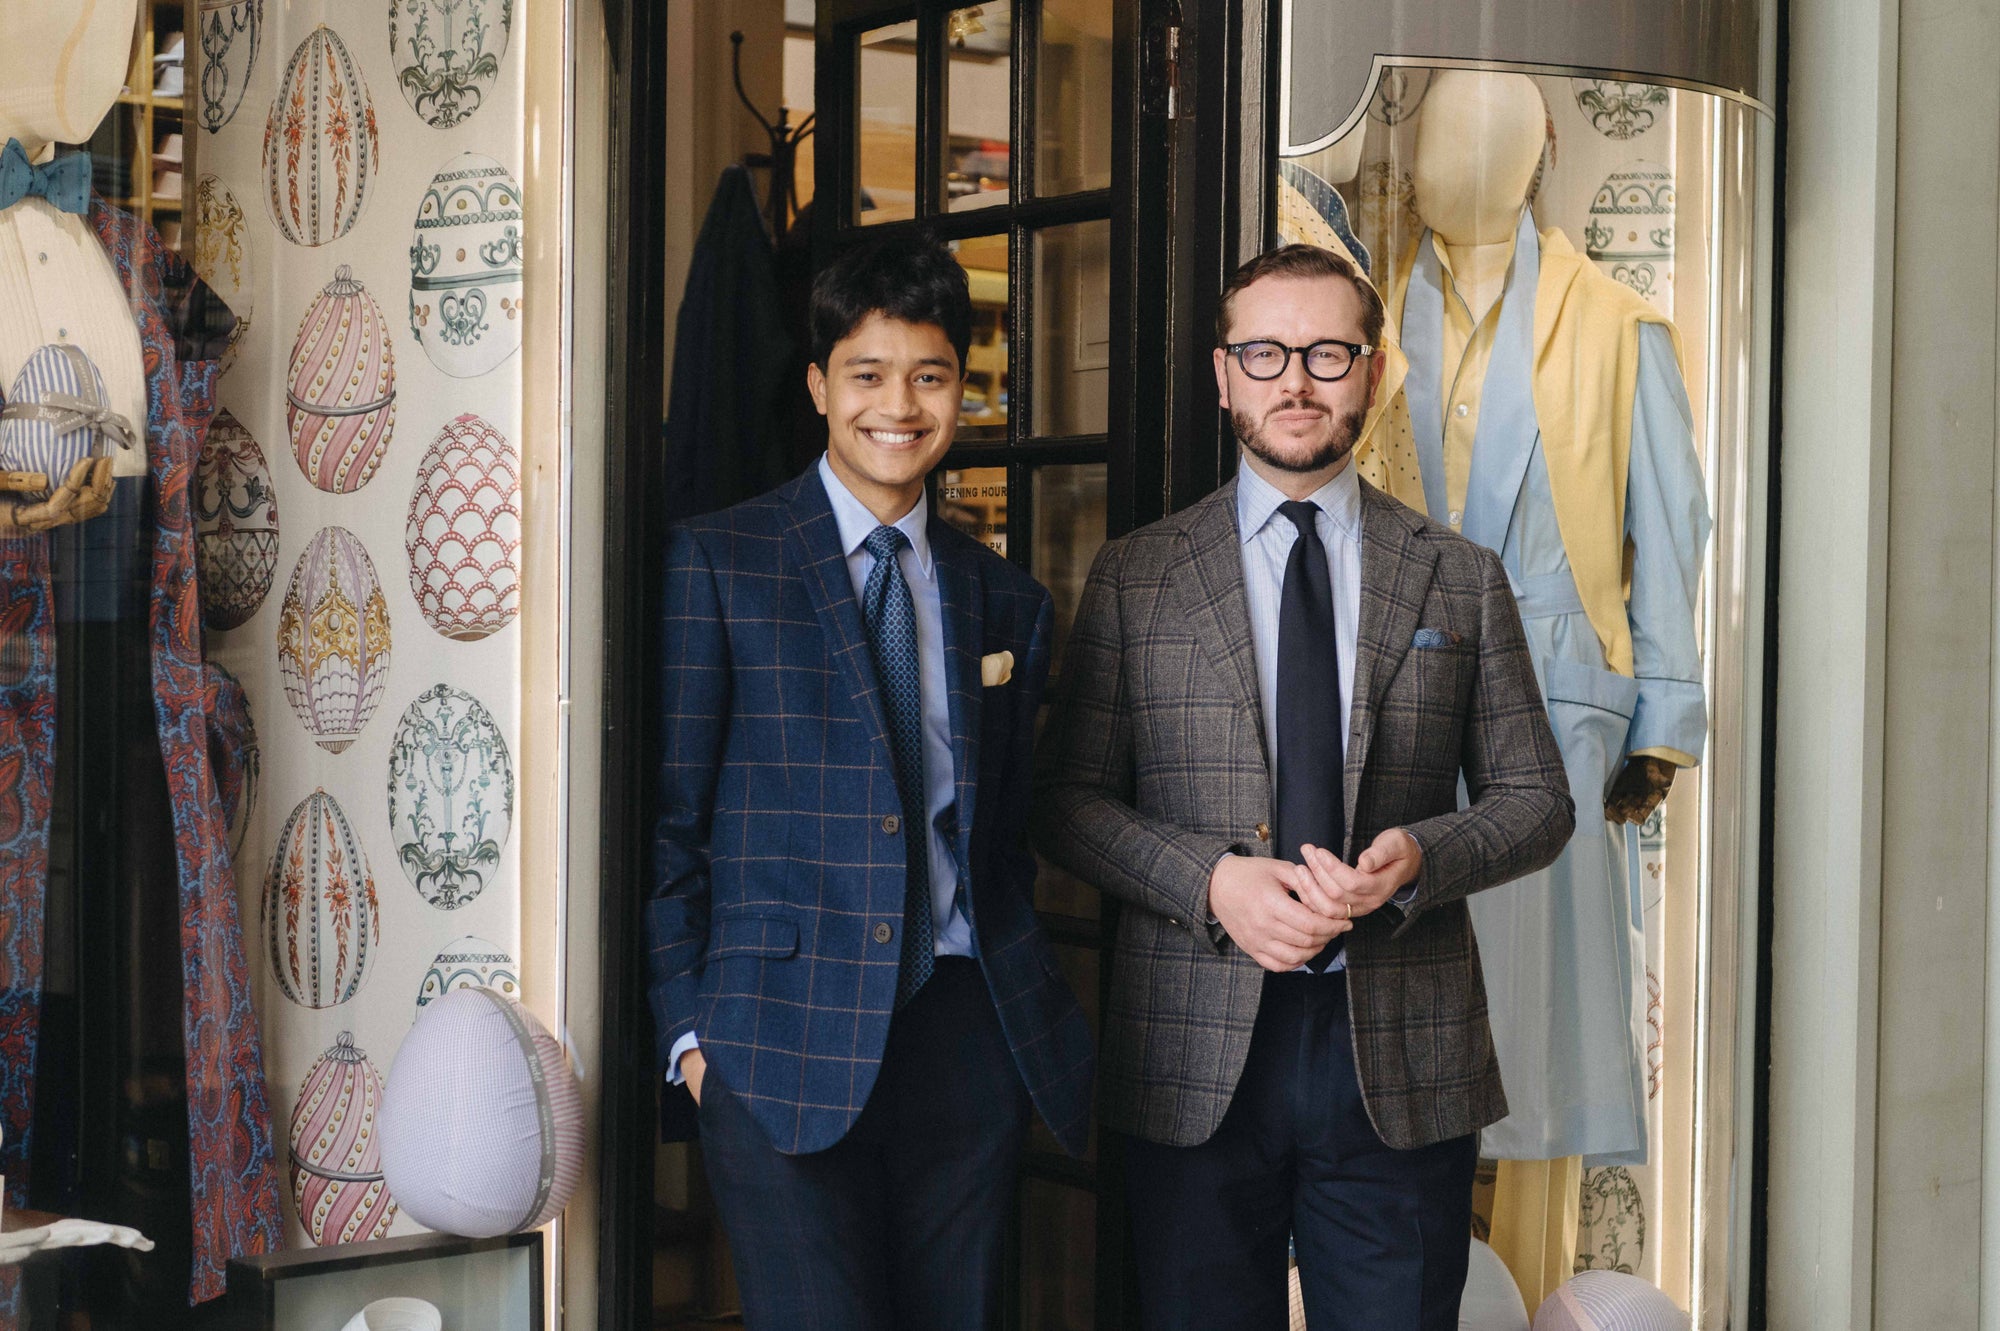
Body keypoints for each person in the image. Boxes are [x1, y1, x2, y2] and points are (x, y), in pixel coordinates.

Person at [1033, 242, 1574, 1330]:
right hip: (1189, 1053)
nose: (1295, 380)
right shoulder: (1139, 574)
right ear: (1223, 373)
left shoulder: (1456, 574)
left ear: (1371, 374)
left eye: (1326, 352)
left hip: (1398, 1051)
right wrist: (1210, 879)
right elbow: (1062, 800)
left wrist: (1422, 856)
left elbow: (1536, 800)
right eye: (1265, 352)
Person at [646, 231, 1093, 1330]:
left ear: (960, 392)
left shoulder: (1005, 599)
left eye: (929, 375)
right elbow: (670, 824)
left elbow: (1005, 836)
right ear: (816, 386)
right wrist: (693, 1041)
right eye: (867, 374)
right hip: (775, 1038)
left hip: (961, 1035)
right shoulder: (723, 562)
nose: (898, 405)